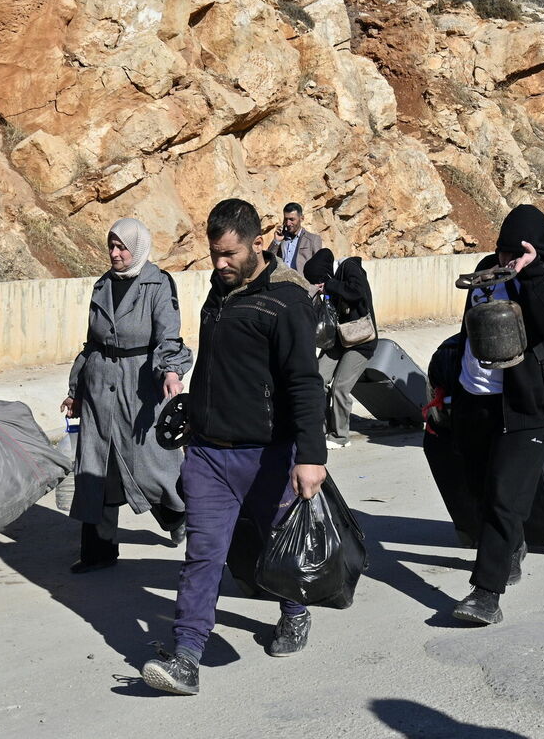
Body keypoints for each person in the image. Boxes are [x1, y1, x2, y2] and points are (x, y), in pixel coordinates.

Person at [141, 198, 328, 695]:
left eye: (228, 254)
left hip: (266, 453)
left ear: (257, 243)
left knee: (275, 544)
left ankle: (294, 611)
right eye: (213, 254)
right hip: (207, 452)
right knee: (203, 554)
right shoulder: (217, 292)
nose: (219, 264)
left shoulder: (286, 301)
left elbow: (305, 384)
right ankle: (186, 657)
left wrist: (311, 457)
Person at [450, 205, 544, 625]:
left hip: (525, 407)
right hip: (474, 400)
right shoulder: (487, 270)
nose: (506, 260)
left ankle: (486, 594)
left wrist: (531, 271)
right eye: (503, 252)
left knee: (506, 498)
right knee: (480, 490)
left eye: (515, 251)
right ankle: (510, 548)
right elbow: (468, 329)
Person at [60, 218, 193, 573]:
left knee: (151, 469)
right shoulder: (102, 285)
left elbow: (169, 336)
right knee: (95, 469)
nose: (115, 254)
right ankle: (99, 553)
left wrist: (171, 371)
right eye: (111, 246)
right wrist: (75, 390)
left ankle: (177, 516)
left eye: (122, 247)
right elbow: (91, 343)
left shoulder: (158, 283)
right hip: (99, 385)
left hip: (141, 387)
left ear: (138, 248)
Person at [302, 249, 378, 450]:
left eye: (319, 279)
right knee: (317, 378)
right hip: (339, 339)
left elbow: (357, 292)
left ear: (325, 273)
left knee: (340, 388)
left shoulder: (350, 268)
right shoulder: (332, 280)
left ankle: (340, 436)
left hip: (361, 339)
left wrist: (331, 285)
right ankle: (319, 429)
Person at [269, 202, 322, 272]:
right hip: (281, 280)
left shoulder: (312, 239)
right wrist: (276, 241)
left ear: (302, 218)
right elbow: (268, 260)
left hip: (302, 282)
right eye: (286, 219)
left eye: (292, 219)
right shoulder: (281, 238)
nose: (288, 223)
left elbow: (320, 265)